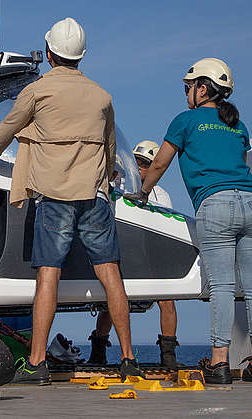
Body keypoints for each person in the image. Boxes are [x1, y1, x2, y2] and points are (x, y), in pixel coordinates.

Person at [0, 18, 143, 385]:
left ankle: (38, 363)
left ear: (50, 53)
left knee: (48, 277)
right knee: (111, 275)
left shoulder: (38, 91)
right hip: (95, 197)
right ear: (80, 56)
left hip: (54, 196)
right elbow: (111, 147)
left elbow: (7, 127)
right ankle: (129, 358)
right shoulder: (102, 96)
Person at [138, 58, 252, 384]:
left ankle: (219, 363)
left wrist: (142, 194)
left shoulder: (185, 121)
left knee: (223, 287)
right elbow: (240, 166)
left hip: (217, 205)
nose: (186, 93)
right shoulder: (238, 125)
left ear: (203, 88)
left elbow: (158, 166)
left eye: (189, 87)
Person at [88, 140, 179, 368]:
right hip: (125, 250)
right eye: (136, 162)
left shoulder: (161, 195)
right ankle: (98, 351)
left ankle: (168, 356)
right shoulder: (117, 184)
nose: (139, 168)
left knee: (167, 298)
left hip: (151, 254)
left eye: (145, 164)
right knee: (112, 297)